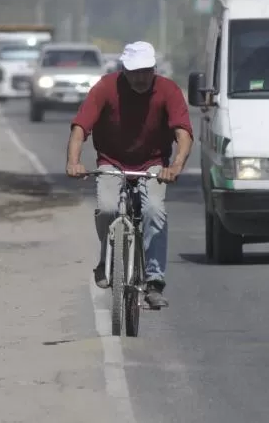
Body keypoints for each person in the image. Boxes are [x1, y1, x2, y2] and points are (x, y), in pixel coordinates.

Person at [65, 41, 193, 309]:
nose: (140, 78)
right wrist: (73, 162)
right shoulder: (105, 87)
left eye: (146, 71)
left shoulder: (168, 90)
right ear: (124, 70)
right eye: (134, 72)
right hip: (111, 161)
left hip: (153, 164)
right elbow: (80, 128)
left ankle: (154, 281)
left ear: (154, 69)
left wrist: (175, 166)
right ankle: (106, 260)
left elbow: (183, 133)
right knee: (107, 208)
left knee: (154, 210)